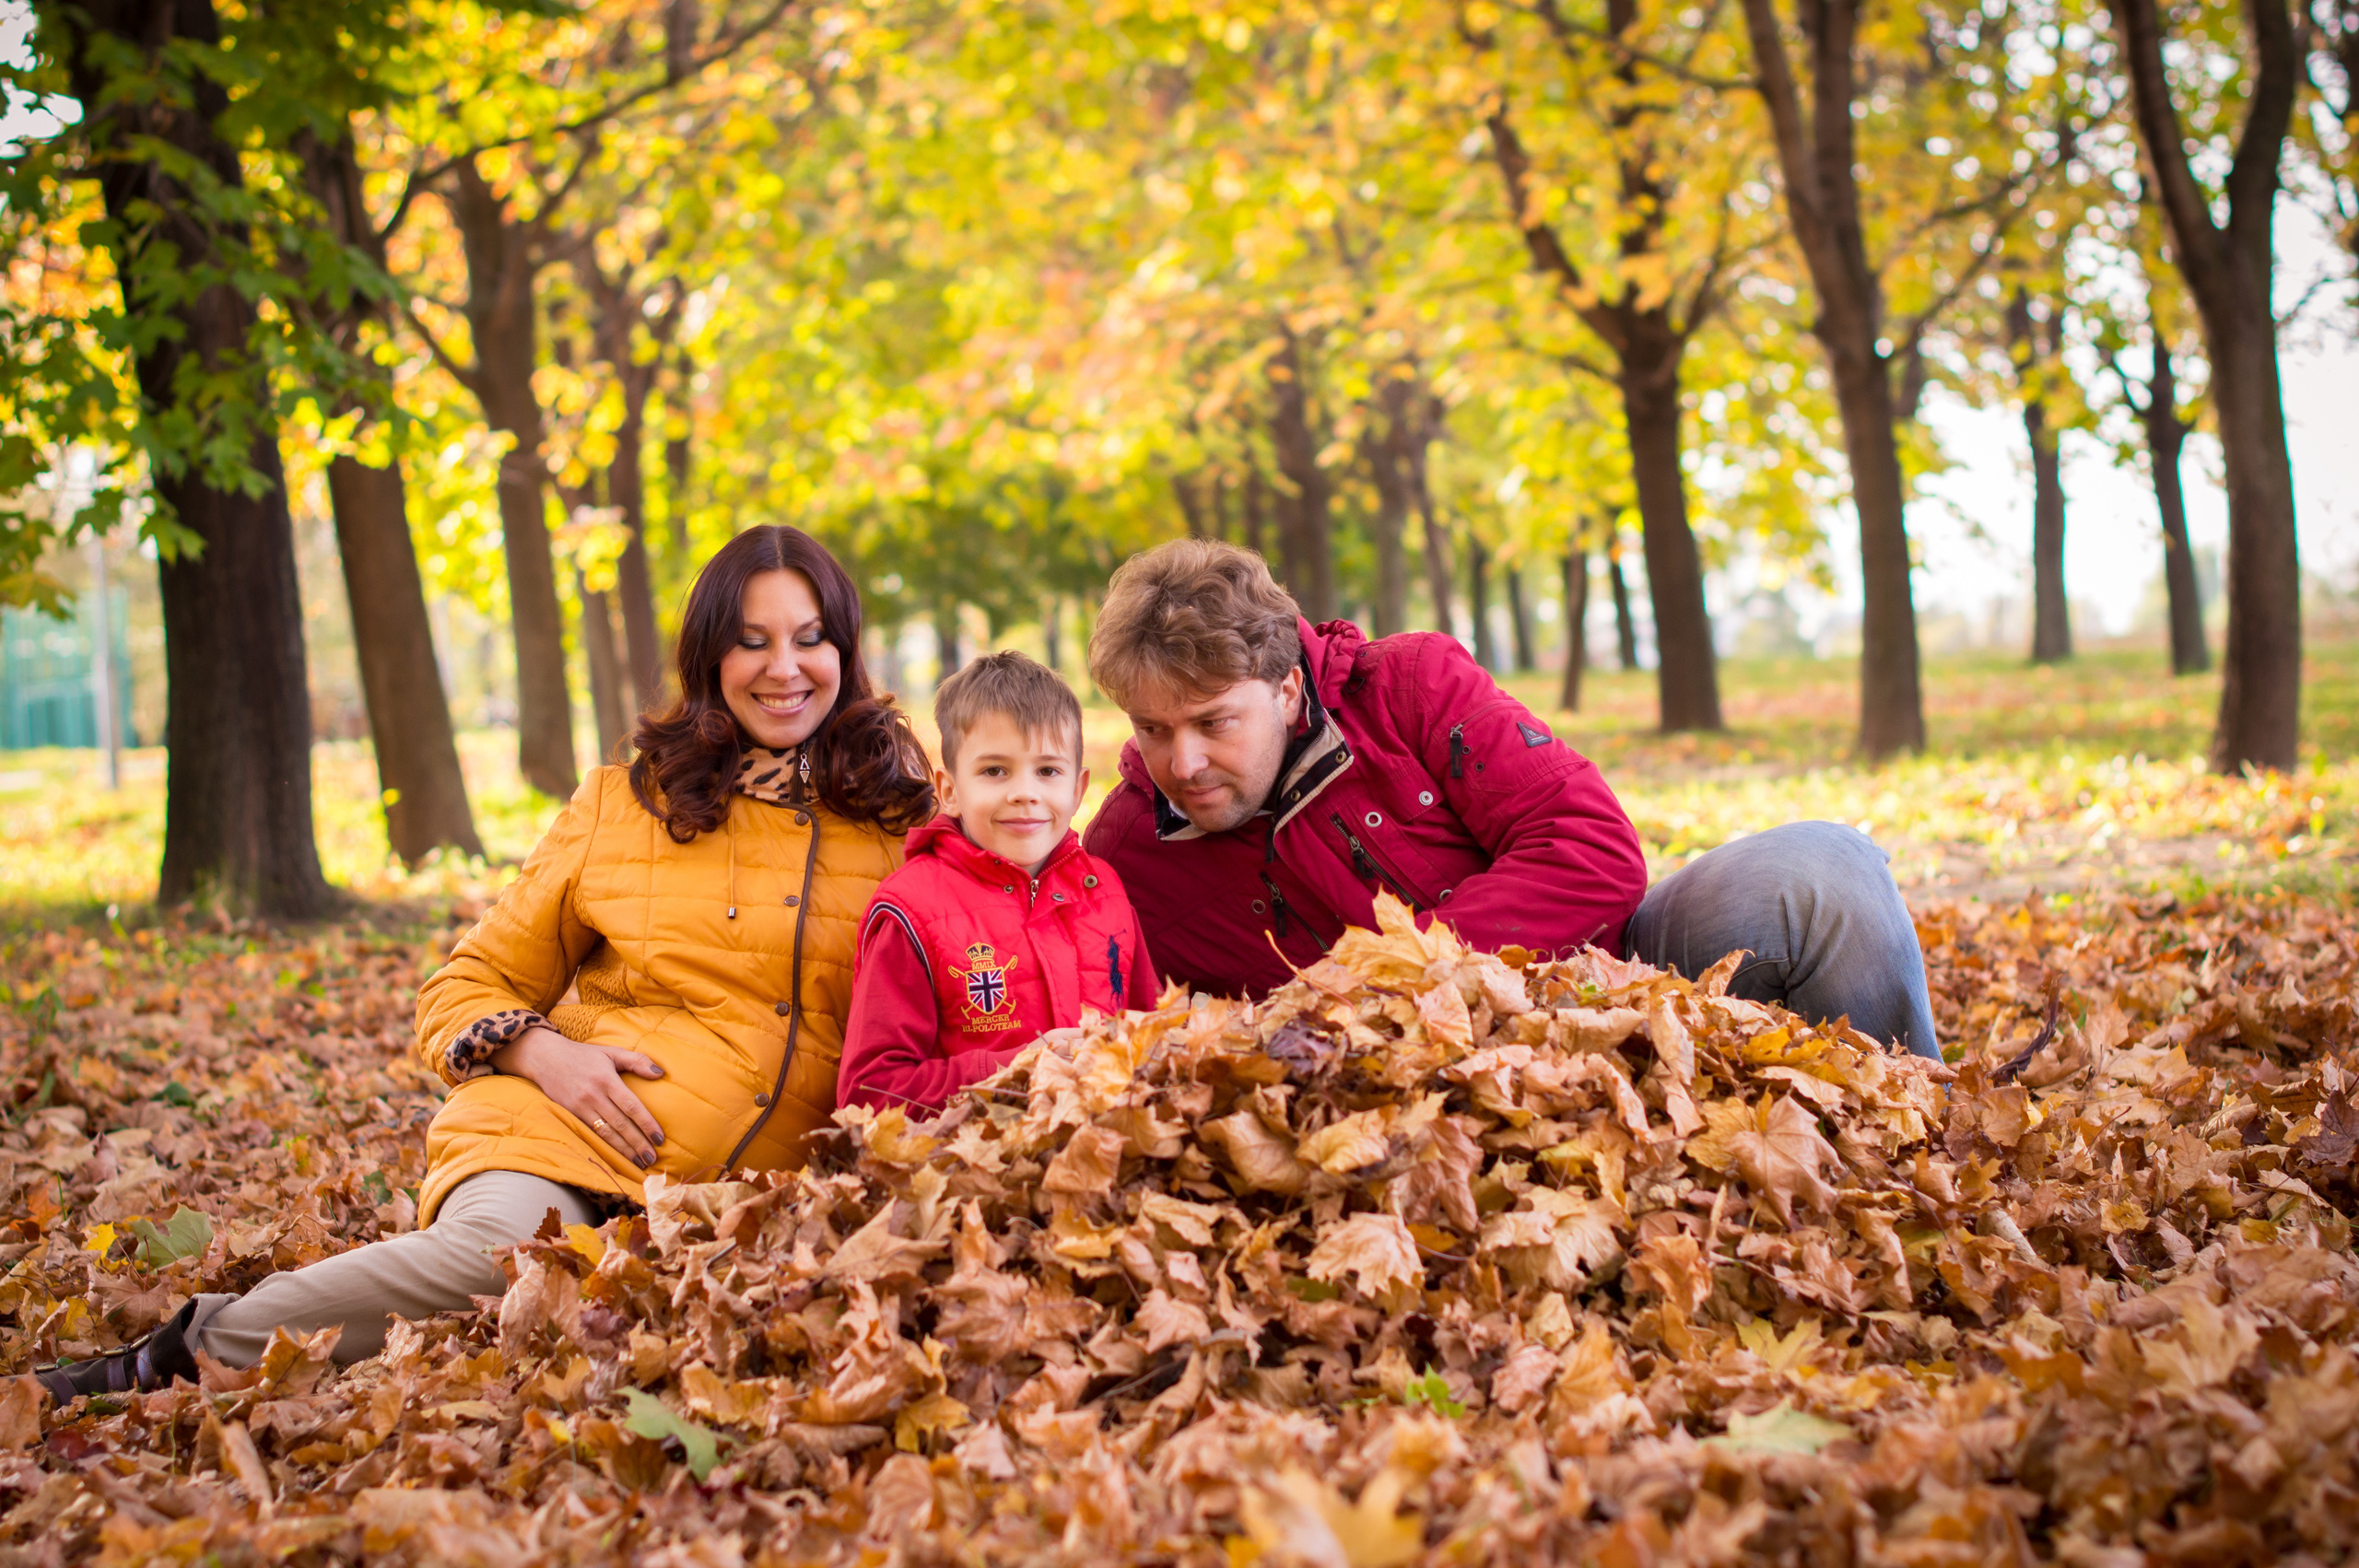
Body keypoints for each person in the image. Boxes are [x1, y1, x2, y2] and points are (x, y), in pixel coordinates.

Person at [38, 525, 933, 1400]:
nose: (785, 668)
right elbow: (465, 987)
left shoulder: (906, 828)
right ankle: (179, 1351)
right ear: (710, 660)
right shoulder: (623, 808)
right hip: (554, 1142)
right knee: (501, 1261)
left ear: (845, 655)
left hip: (738, 1208)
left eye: (810, 639)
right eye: (753, 643)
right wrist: (545, 1053)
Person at [1081, 539, 1941, 1060]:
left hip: (1609, 983)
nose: (1182, 761)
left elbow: (1594, 849)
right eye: (1152, 728)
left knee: (1825, 870)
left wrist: (1405, 973)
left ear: (1286, 689)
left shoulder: (1407, 686)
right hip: (1396, 1107)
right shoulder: (1128, 850)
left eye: (1212, 722)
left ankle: (1917, 1140)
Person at [838, 651, 1157, 1115]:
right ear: (949, 791)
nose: (1024, 792)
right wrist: (1019, 1070)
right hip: (972, 1175)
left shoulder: (1104, 890)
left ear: (1078, 789)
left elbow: (1150, 1034)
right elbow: (868, 1092)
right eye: (994, 771)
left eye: (1047, 771)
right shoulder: (910, 910)